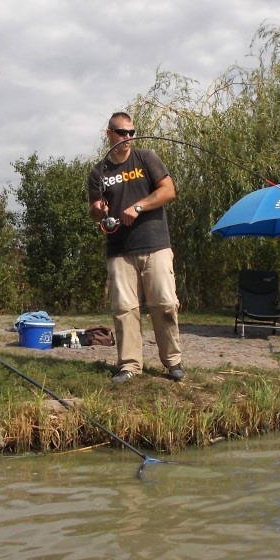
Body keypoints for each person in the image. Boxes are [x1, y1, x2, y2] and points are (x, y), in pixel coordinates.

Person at [87, 112, 184, 384]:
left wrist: (139, 207)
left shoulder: (146, 158)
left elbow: (168, 190)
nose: (128, 138)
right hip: (119, 249)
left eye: (132, 133)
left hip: (155, 244)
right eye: (122, 133)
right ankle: (129, 365)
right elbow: (94, 210)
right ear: (109, 134)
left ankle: (173, 362)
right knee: (125, 308)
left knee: (164, 303)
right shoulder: (98, 172)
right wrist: (98, 209)